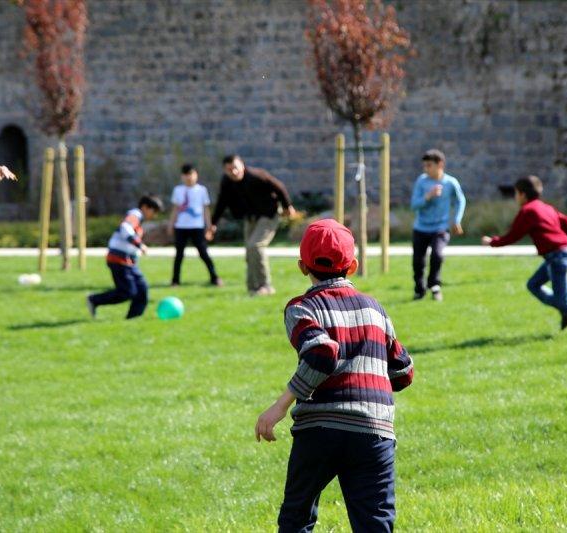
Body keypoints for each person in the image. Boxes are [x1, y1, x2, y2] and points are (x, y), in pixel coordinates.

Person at [255, 218, 414, 532]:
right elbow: (403, 372)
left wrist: (280, 406)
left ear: (302, 266)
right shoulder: (375, 309)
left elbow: (322, 353)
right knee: (375, 523)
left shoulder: (302, 308)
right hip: (374, 430)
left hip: (319, 429)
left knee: (296, 519)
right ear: (353, 266)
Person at [481, 175, 567, 335]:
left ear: (522, 195)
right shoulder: (546, 207)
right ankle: (565, 310)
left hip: (557, 257)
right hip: (556, 256)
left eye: (516, 193)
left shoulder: (527, 211)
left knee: (565, 301)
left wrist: (492, 242)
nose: (515, 197)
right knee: (533, 285)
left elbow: (512, 236)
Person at [208, 154, 296, 296]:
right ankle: (252, 288)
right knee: (250, 251)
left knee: (256, 246)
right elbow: (221, 202)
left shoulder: (257, 176)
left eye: (235, 168)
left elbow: (279, 187)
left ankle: (266, 286)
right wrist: (213, 224)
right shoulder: (227, 182)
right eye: (229, 170)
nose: (234, 172)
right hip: (251, 218)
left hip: (268, 215)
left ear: (242, 165)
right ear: (225, 170)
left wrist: (287, 206)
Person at [87, 195, 163, 320]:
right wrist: (139, 244)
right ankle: (94, 300)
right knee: (127, 292)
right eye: (153, 211)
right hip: (118, 259)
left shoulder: (139, 220)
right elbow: (125, 228)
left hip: (129, 262)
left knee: (142, 289)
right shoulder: (135, 214)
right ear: (145, 207)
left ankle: (133, 319)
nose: (154, 216)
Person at [410, 149, 466, 301]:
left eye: (429, 165)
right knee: (418, 261)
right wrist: (427, 196)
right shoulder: (421, 181)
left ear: (440, 164)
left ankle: (434, 286)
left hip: (440, 228)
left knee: (437, 255)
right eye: (425, 166)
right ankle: (419, 290)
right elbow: (413, 205)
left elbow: (461, 200)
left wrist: (457, 220)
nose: (426, 169)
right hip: (421, 228)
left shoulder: (450, 182)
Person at [167, 164, 222, 287]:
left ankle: (214, 277)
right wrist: (171, 224)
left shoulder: (201, 190)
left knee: (203, 253)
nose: (189, 177)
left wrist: (209, 225)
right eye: (186, 175)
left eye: (191, 174)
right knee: (179, 255)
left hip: (197, 226)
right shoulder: (178, 190)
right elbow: (175, 209)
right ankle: (175, 280)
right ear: (182, 176)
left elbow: (205, 209)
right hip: (181, 227)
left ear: (196, 175)